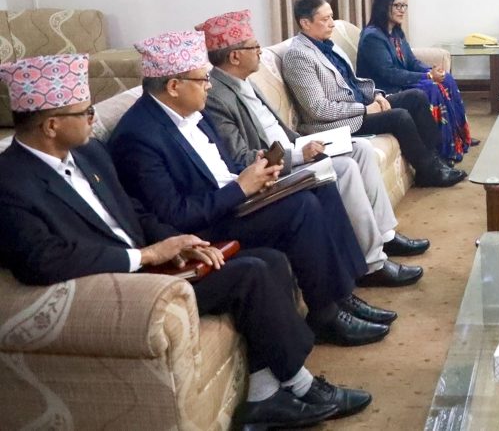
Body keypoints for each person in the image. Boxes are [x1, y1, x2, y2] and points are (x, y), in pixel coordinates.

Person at [0, 54, 371, 427]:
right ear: (51, 125)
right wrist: (145, 256)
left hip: (154, 260)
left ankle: (263, 398)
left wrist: (177, 241)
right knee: (252, 273)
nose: (93, 120)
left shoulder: (88, 152)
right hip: (120, 283)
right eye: (85, 113)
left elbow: (134, 211)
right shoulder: (11, 182)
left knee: (270, 261)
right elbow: (43, 260)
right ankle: (303, 385)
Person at [107, 30, 395, 348]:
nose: (209, 86)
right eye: (202, 80)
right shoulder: (138, 136)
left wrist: (254, 170)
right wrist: (241, 188)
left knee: (320, 183)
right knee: (301, 207)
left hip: (233, 199)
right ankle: (325, 315)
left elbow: (223, 163)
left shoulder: (191, 111)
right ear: (174, 86)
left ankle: (342, 296)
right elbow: (175, 214)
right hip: (207, 225)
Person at [197, 9, 427, 288]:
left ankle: (386, 237)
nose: (260, 51)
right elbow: (240, 157)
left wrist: (303, 144)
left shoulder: (244, 81)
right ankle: (372, 263)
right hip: (276, 167)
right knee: (344, 167)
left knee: (361, 150)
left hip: (296, 145)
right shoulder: (216, 97)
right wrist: (298, 154)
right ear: (235, 57)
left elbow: (278, 128)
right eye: (254, 46)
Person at [283, 0, 466, 187]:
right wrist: (365, 109)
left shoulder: (327, 45)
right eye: (325, 19)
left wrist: (376, 95)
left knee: (416, 97)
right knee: (399, 117)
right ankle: (429, 172)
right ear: (305, 23)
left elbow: (353, 81)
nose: (332, 24)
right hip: (338, 122)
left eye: (332, 17)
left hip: (359, 105)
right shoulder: (298, 56)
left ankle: (435, 161)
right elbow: (318, 109)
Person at [356, 0, 474, 163]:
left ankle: (457, 136)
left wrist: (431, 71)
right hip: (385, 88)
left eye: (404, 5)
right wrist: (428, 77)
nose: (402, 10)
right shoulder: (372, 37)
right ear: (383, 6)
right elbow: (389, 74)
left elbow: (411, 62)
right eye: (397, 6)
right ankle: (441, 149)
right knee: (431, 87)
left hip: (401, 81)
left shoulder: (396, 32)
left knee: (446, 78)